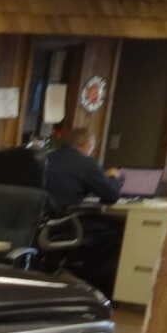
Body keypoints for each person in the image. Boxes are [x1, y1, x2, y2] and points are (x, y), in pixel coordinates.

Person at [44, 126, 122, 295]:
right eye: (92, 147)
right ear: (86, 144)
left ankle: (69, 269)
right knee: (116, 231)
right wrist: (113, 177)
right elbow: (111, 195)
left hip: (41, 223)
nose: (92, 151)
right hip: (65, 224)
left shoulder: (46, 158)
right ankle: (100, 288)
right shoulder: (85, 163)